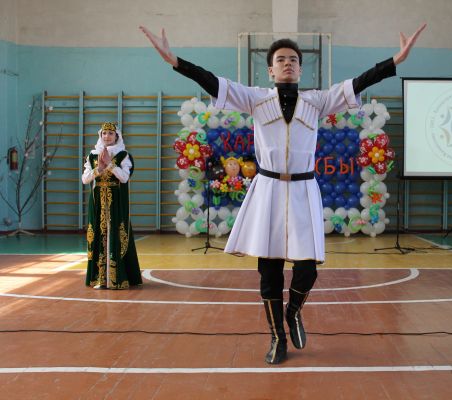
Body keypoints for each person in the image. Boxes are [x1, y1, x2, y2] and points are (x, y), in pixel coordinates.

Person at [140, 24, 426, 364]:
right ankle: (277, 337)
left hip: (304, 190)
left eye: (293, 59)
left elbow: (359, 82)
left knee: (308, 269)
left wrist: (396, 60)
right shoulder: (255, 98)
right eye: (280, 59)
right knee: (270, 270)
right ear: (271, 70)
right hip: (269, 190)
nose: (287, 63)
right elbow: (212, 81)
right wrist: (174, 60)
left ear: (301, 69)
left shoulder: (317, 101)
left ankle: (293, 311)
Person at [82, 122, 143, 290]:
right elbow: (85, 179)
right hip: (98, 203)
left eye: (110, 133)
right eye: (104, 133)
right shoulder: (92, 155)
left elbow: (124, 178)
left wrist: (110, 164)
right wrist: (99, 169)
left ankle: (117, 278)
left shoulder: (123, 155)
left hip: (116, 202)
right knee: (98, 234)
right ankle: (100, 278)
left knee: (116, 234)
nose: (107, 136)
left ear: (117, 136)